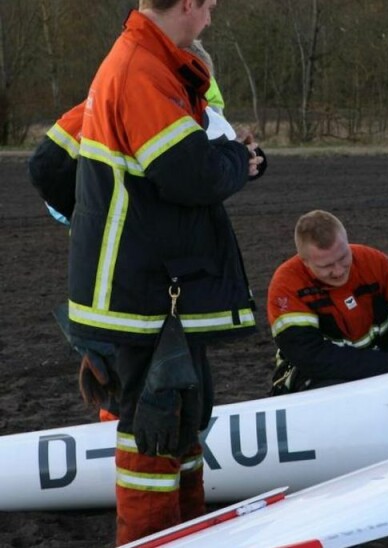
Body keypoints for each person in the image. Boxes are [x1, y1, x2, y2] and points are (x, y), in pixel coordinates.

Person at [66, 1, 262, 543]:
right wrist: (236, 162)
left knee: (180, 418)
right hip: (144, 289)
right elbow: (187, 173)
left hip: (156, 284)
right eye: (209, 6)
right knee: (152, 427)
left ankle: (187, 532)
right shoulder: (141, 70)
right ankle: (152, 537)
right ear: (189, 4)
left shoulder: (151, 63)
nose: (212, 16)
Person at [28, 39, 256, 425]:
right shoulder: (178, 97)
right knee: (168, 399)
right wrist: (246, 160)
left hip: (98, 271)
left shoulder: (102, 98)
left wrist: (89, 216)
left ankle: (112, 430)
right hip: (156, 277)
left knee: (122, 378)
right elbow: (203, 173)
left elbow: (49, 176)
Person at [267, 210, 388, 393]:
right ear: (305, 261)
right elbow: (308, 355)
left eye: (343, 258)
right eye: (326, 266)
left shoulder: (374, 262)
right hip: (320, 373)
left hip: (384, 356)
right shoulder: (286, 285)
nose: (339, 270)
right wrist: (381, 365)